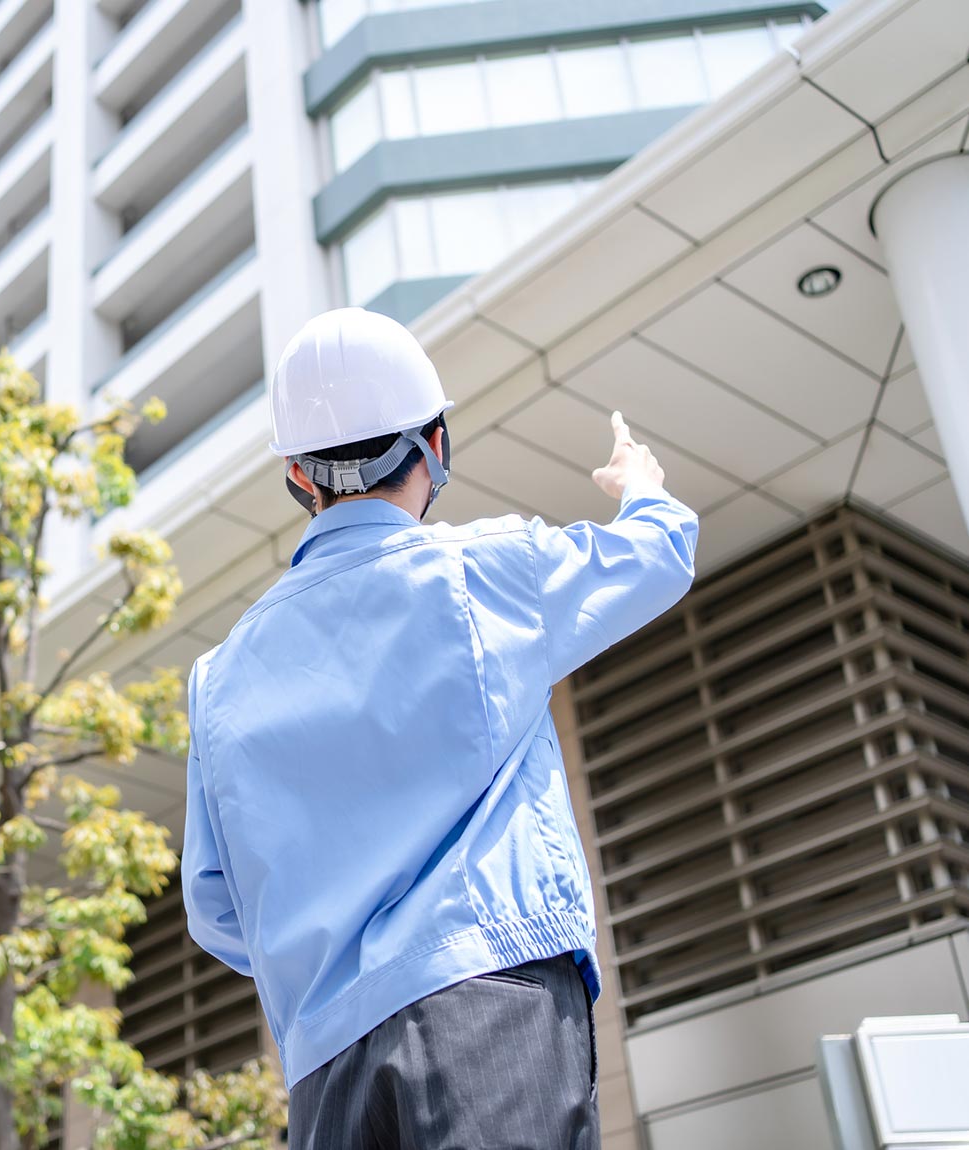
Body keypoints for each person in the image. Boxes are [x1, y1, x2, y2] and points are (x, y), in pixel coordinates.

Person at [181, 308, 698, 1149]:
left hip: (326, 1069)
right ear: (435, 445)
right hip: (486, 1001)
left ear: (298, 475)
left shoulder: (218, 677)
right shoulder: (482, 570)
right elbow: (659, 553)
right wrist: (641, 484)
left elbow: (215, 908)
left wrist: (328, 960)